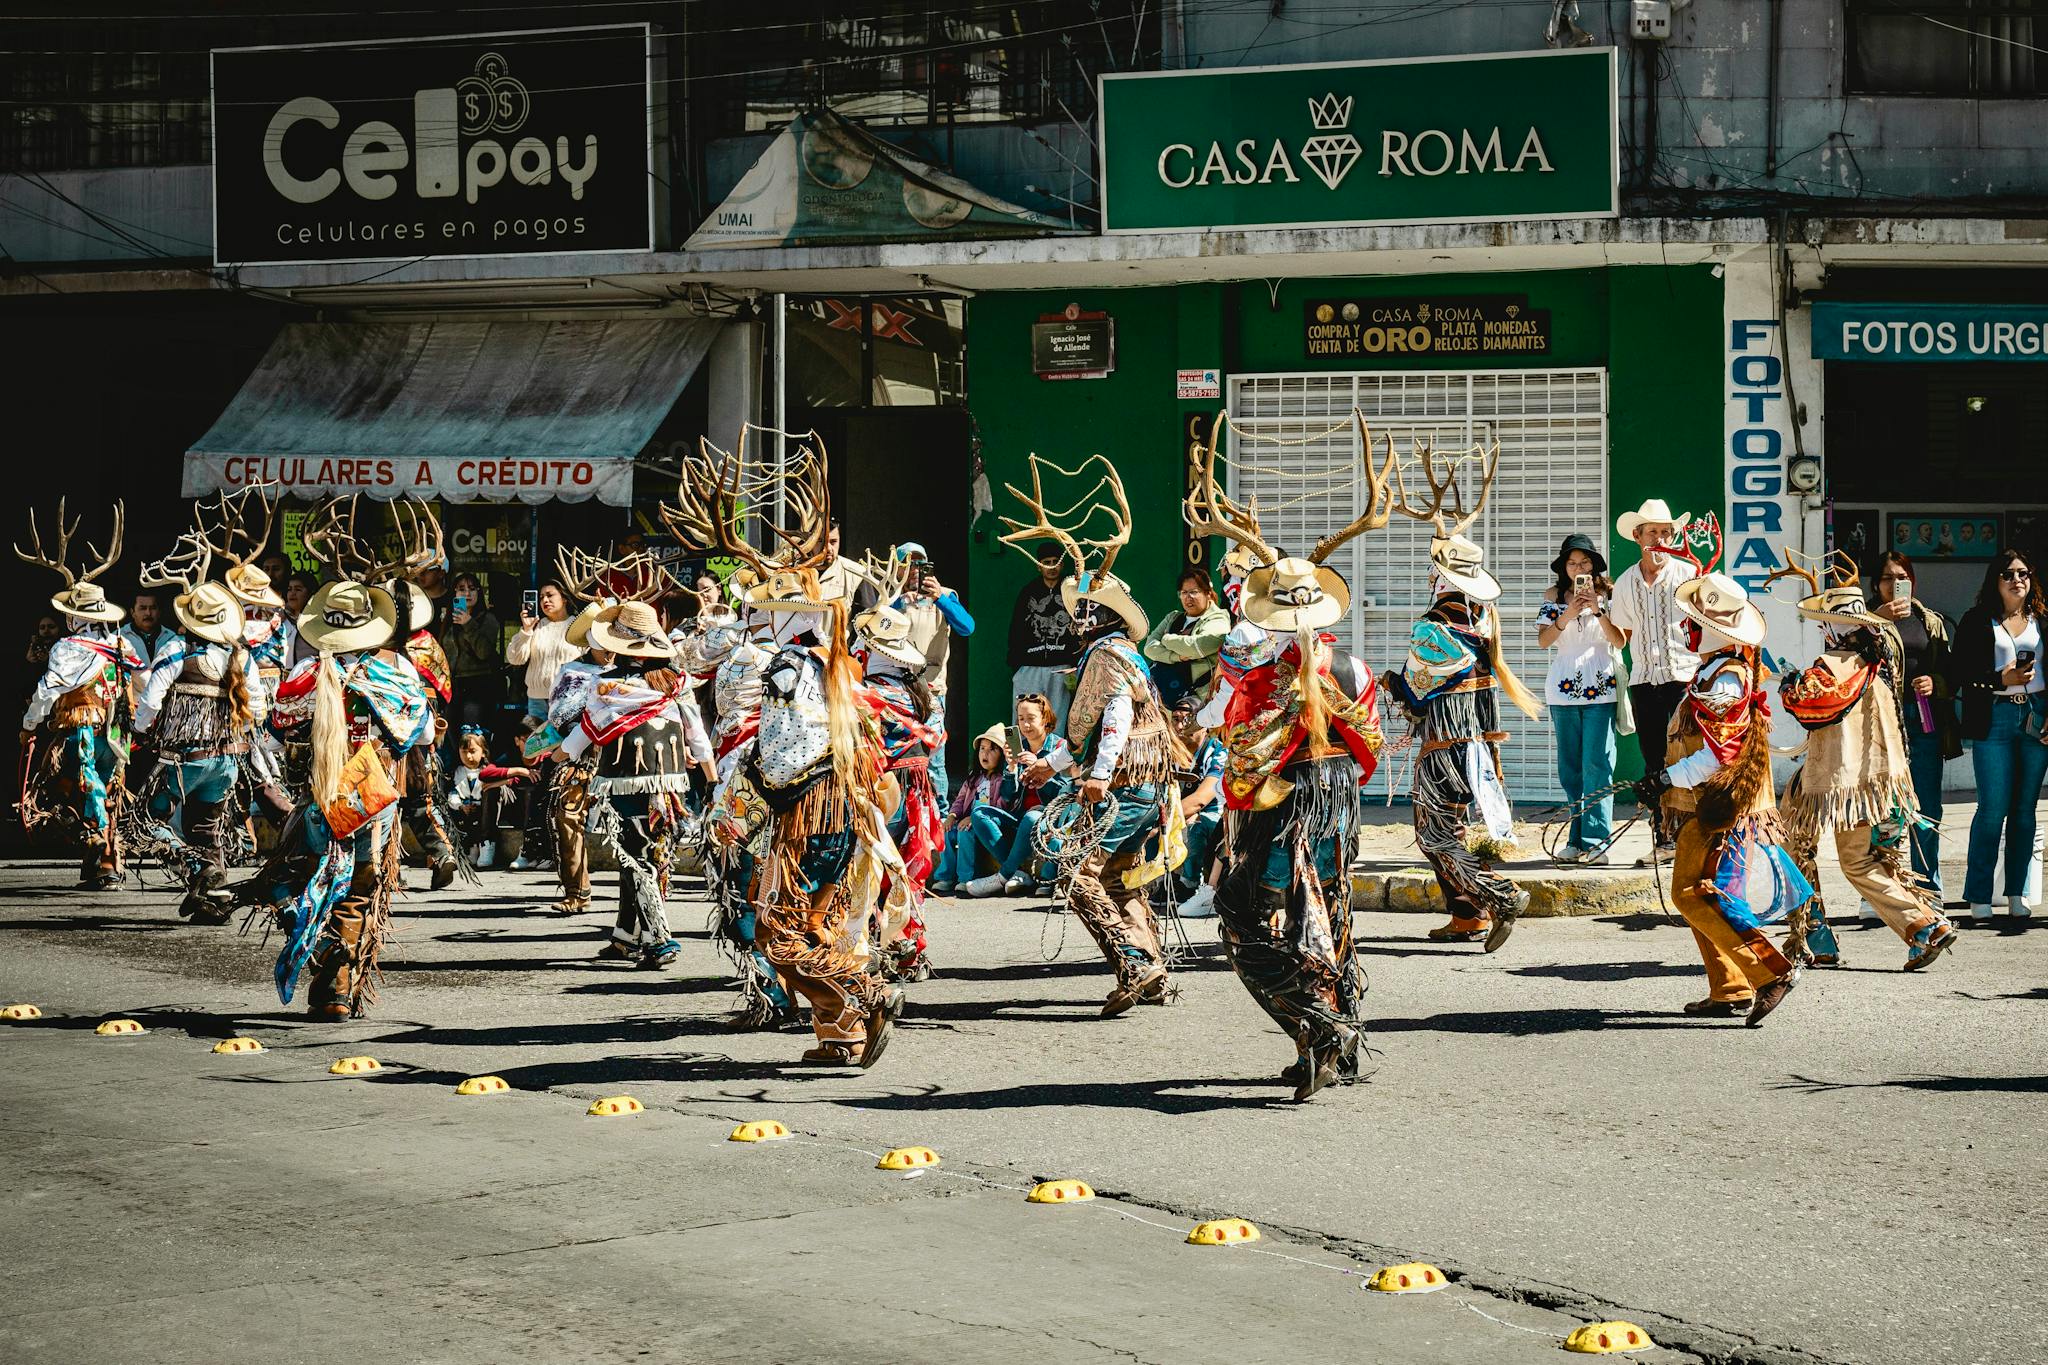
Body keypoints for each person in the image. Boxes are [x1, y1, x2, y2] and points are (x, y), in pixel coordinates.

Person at [1009, 458, 1175, 1017]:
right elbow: (1085, 735)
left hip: (1126, 785)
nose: (1073, 619)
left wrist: (1099, 776)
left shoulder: (1105, 656)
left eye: (1081, 611)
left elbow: (1115, 719)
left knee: (1080, 877)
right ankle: (1150, 965)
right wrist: (1051, 767)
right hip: (1142, 786)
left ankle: (1136, 964)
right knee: (1119, 878)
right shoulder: (1121, 654)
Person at [264, 541, 433, 1020]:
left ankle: (312, 942)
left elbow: (276, 736)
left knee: (289, 878)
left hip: (317, 799)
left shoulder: (303, 674)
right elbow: (418, 734)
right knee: (358, 889)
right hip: (371, 802)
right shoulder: (395, 677)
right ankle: (335, 990)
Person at [1634, 569, 1812, 1025]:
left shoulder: (1725, 679)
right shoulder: (1718, 671)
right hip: (1710, 803)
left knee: (1695, 895)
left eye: (1692, 622)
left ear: (1711, 629)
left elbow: (1720, 753)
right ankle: (1729, 986)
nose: (1685, 628)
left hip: (1720, 807)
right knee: (1697, 895)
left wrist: (1665, 778)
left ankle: (1769, 971)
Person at [1774, 556, 1957, 972]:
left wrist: (1788, 685)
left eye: (1825, 622)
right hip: (1878, 780)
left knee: (1819, 853)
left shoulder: (1837, 664)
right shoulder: (1878, 661)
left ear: (1840, 626)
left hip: (1844, 783)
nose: (1821, 629)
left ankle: (1915, 927)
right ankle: (1830, 934)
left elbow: (1809, 704)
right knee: (1848, 856)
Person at [1388, 526, 1540, 950]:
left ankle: (1500, 895)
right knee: (1453, 828)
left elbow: (1417, 696)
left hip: (1444, 748)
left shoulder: (1433, 627)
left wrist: (1393, 685)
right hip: (1477, 748)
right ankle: (1466, 916)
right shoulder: (1483, 623)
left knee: (1435, 835)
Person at [564, 599, 710, 970]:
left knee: (636, 859)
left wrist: (558, 754)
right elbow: (697, 736)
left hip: (624, 786)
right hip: (670, 788)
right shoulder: (675, 683)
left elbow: (584, 733)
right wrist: (712, 781)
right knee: (647, 855)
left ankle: (660, 939)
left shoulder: (606, 685)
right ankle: (626, 936)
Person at [131, 550, 266, 924]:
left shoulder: (176, 649)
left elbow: (151, 701)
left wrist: (140, 729)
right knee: (208, 829)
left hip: (184, 760)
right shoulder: (240, 657)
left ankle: (197, 871)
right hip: (227, 762)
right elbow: (257, 706)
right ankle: (215, 903)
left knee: (147, 818)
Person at [16, 501, 141, 889]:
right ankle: (101, 862)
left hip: (82, 729)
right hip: (118, 731)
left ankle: (103, 853)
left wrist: (29, 724)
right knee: (105, 790)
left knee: (73, 788)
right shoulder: (123, 643)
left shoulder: (69, 648)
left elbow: (48, 688)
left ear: (75, 617)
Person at [1952, 549, 2048, 920]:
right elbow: (1960, 671)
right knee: (1992, 809)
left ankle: (2018, 893)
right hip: (1994, 716)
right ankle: (1979, 895)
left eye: (2023, 573)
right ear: (1996, 580)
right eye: (2008, 574)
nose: (2016, 580)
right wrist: (1999, 679)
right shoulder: (1978, 620)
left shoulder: (2041, 619)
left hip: (2036, 714)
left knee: (2025, 810)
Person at [1607, 498, 1701, 857]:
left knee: (1687, 758)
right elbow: (1621, 638)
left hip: (1684, 677)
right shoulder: (1627, 582)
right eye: (1652, 533)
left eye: (1665, 532)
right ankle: (1663, 839)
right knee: (1654, 761)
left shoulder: (1690, 575)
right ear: (1637, 536)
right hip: (1644, 681)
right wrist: (1598, 617)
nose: (1659, 539)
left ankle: (1693, 839)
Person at [1869, 552, 1958, 900]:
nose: (1894, 584)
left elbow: (1952, 672)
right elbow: (1845, 654)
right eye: (1887, 578)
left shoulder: (1929, 621)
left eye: (1901, 577)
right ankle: (1879, 890)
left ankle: (1926, 886)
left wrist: (1935, 681)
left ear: (1912, 581)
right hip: (1880, 722)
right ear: (1876, 584)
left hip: (1922, 719)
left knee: (1927, 806)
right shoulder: (1863, 620)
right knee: (1882, 807)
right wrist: (1875, 619)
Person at [1537, 533, 1626, 865]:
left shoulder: (1611, 596)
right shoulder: (1554, 596)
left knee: (1598, 764)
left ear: (1595, 566)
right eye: (1572, 563)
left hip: (1601, 687)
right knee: (1571, 769)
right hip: (1561, 689)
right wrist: (1567, 613)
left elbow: (1620, 640)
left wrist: (1598, 610)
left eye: (1585, 562)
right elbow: (1543, 642)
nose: (1578, 568)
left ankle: (1597, 841)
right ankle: (1576, 839)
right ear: (1564, 567)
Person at [888, 542, 973, 805]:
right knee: (899, 754)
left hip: (931, 687)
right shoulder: (889, 596)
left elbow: (967, 627)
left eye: (920, 564)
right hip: (897, 686)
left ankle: (941, 812)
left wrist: (940, 599)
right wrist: (899, 602)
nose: (915, 570)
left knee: (934, 757)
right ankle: (902, 814)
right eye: (909, 564)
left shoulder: (945, 594)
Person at [931, 725, 1020, 897]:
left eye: (992, 749)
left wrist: (973, 818)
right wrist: (952, 815)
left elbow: (1001, 807)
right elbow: (959, 801)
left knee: (965, 832)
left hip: (982, 824)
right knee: (946, 831)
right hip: (966, 820)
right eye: (982, 749)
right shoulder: (974, 778)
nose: (985, 754)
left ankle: (966, 878)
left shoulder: (1002, 780)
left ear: (1002, 755)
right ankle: (945, 876)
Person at [1007, 542, 1079, 732]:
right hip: (1029, 666)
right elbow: (1016, 629)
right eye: (1047, 562)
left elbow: (1085, 605)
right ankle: (1018, 760)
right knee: (1022, 718)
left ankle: (1053, 761)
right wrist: (1017, 666)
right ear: (1038, 565)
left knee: (1057, 719)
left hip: (1061, 666)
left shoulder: (1072, 589)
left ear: (1062, 565)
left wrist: (1074, 661)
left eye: (1056, 562)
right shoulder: (1028, 591)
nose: (1052, 566)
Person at [1168, 698, 1225, 917]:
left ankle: (1189, 884)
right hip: (1177, 809)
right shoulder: (1169, 751)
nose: (1181, 727)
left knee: (1195, 824)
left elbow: (1202, 798)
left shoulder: (1217, 751)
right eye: (1176, 719)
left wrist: (1163, 821)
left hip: (1215, 812)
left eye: (1188, 719)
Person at [1142, 567, 1230, 707]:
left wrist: (1166, 639)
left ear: (1208, 593)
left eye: (1194, 592)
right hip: (1160, 692)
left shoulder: (1218, 618)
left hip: (1196, 697)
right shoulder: (1173, 617)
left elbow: (1198, 647)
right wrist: (1177, 657)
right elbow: (1149, 648)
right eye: (1184, 592)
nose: (1188, 597)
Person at [446, 727, 533, 869]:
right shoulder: (456, 772)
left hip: (491, 808)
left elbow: (487, 775)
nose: (468, 756)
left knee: (491, 790)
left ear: (483, 752)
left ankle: (486, 844)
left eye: (473, 751)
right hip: (465, 811)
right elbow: (453, 792)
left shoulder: (489, 765)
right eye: (464, 752)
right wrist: (460, 806)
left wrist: (506, 780)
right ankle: (470, 850)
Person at [505, 581, 582, 722]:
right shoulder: (536, 626)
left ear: (564, 598)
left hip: (567, 700)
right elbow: (515, 658)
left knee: (565, 743)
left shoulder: (577, 626)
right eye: (541, 597)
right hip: (537, 700)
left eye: (550, 595)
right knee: (537, 744)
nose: (545, 600)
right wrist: (526, 629)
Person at [440, 572, 504, 737]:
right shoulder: (448, 619)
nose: (467, 593)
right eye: (461, 589)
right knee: (452, 736)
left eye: (472, 588)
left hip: (479, 684)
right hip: (453, 685)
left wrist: (468, 623)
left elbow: (483, 652)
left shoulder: (488, 619)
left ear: (479, 592)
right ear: (454, 593)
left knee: (471, 735)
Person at [120, 589, 173, 670]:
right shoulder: (119, 637)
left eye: (153, 608)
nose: (148, 613)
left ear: (159, 612)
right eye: (143, 608)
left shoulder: (171, 638)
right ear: (132, 612)